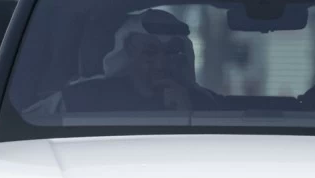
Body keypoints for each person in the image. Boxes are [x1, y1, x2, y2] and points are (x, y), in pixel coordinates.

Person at [53, 9, 222, 116]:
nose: (160, 64)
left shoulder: (201, 103)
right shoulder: (84, 97)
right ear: (128, 52)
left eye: (171, 52)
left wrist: (186, 113)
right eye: (149, 52)